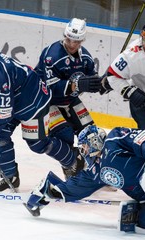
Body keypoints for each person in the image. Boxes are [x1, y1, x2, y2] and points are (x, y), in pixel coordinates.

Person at [0, 38, 85, 192]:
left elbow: (4, 113)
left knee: (38, 145)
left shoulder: (0, 78)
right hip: (15, 100)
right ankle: (10, 177)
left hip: (33, 102)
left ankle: (74, 159)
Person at [34, 18, 101, 178]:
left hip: (70, 101)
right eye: (69, 39)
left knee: (92, 136)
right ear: (65, 35)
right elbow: (51, 87)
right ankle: (70, 167)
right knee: (64, 135)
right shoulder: (52, 55)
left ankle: (97, 173)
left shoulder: (86, 58)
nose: (72, 44)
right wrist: (77, 84)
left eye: (76, 41)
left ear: (82, 40)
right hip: (48, 101)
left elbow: (92, 81)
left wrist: (99, 83)